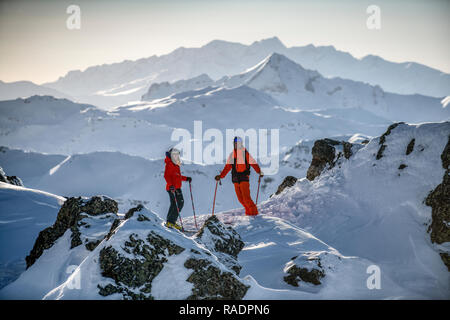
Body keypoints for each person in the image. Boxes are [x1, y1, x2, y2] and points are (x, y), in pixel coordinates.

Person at [215, 136, 263, 216]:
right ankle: (249, 214)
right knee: (241, 200)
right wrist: (221, 176)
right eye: (235, 143)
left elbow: (253, 163)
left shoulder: (245, 153)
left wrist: (259, 171)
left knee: (246, 198)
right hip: (235, 179)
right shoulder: (232, 155)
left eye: (238, 143)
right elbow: (227, 167)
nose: (237, 144)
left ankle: (254, 214)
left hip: (244, 177)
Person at [164, 147, 191, 230]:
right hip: (173, 188)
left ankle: (170, 221)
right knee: (179, 203)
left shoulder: (175, 164)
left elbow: (177, 176)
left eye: (177, 155)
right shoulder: (170, 164)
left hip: (175, 188)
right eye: (174, 155)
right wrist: (171, 185)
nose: (176, 156)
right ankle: (171, 222)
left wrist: (186, 178)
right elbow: (166, 176)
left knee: (174, 204)